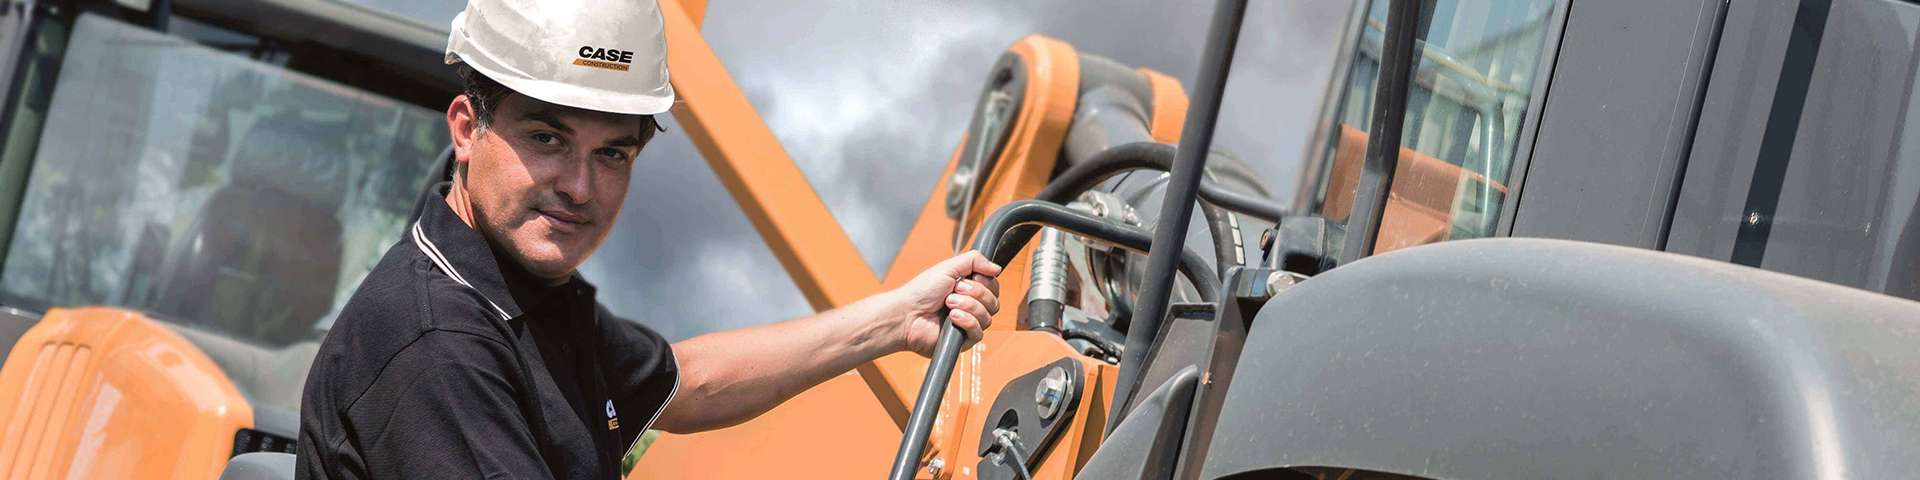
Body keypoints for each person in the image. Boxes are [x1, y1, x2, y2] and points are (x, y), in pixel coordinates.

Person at [294, 0, 1003, 478]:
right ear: (465, 128)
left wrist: (894, 320)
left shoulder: (514, 294)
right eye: (547, 139)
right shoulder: (440, 348)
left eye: (612, 154)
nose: (580, 186)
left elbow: (686, 383)